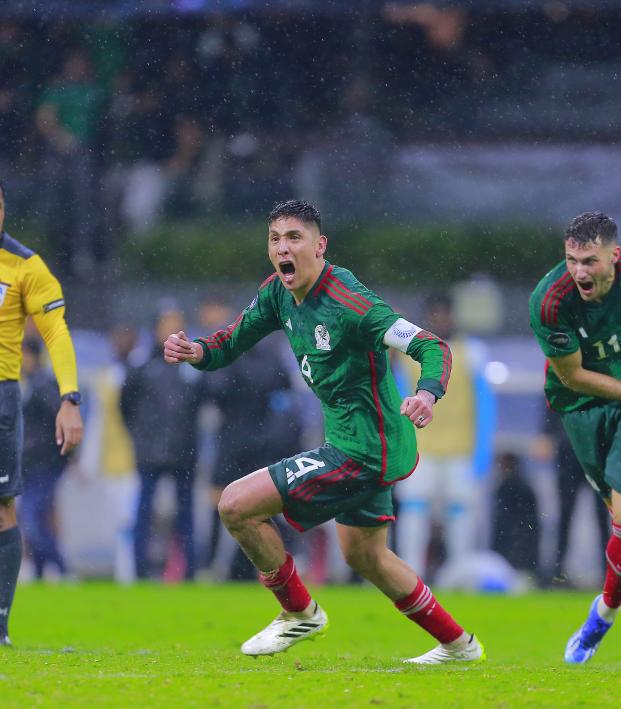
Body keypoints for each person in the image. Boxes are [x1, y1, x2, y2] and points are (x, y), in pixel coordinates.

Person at [164, 199, 485, 664]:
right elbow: (231, 341)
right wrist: (196, 350)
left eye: (295, 238)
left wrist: (427, 393)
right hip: (355, 443)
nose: (283, 248)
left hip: (365, 449)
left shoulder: (351, 303)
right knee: (365, 557)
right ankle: (459, 645)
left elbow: (429, 345)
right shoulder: (278, 293)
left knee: (235, 504)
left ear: (320, 245)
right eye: (275, 239)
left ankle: (299, 612)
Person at [529, 211, 621, 664]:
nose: (580, 271)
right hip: (582, 406)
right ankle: (604, 611)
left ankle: (600, 617)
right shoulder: (551, 301)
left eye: (590, 261)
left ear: (614, 256)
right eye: (571, 260)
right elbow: (573, 375)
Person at [0, 182, 83, 645]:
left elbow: (55, 334)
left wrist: (69, 398)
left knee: (3, 510)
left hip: (1, 397)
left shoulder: (27, 267)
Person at [393, 293, 494, 581]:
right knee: (414, 510)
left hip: (461, 450)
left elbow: (485, 405)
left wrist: (482, 453)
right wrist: (402, 448)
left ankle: (459, 577)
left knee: (460, 514)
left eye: (444, 314)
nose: (440, 320)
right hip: (420, 449)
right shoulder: (408, 354)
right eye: (434, 315)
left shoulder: (472, 352)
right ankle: (411, 577)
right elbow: (399, 401)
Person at [121, 302, 206, 581]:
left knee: (186, 514)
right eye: (167, 324)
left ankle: (190, 572)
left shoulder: (193, 365)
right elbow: (126, 405)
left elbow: (205, 399)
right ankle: (141, 572)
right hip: (149, 451)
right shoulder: (142, 364)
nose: (171, 330)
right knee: (144, 513)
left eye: (176, 323)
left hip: (184, 450)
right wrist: (141, 436)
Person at [19, 337, 68, 579]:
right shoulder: (30, 384)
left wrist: (62, 457)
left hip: (43, 465)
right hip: (30, 465)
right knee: (35, 519)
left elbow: (60, 421)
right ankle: (40, 572)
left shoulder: (43, 385)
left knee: (31, 520)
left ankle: (62, 568)